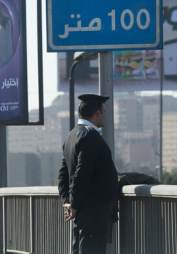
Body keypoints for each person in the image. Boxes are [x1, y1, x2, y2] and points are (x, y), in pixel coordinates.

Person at [58, 94, 118, 254]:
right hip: (93, 209)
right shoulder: (90, 136)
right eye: (104, 111)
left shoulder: (71, 135)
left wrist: (67, 201)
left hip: (82, 208)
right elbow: (81, 173)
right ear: (97, 113)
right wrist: (74, 204)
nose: (105, 115)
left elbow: (63, 174)